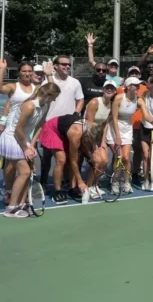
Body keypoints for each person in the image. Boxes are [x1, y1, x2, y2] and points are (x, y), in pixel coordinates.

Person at [0, 83, 61, 218]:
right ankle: (11, 208)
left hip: (23, 139)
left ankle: (21, 204)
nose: (54, 100)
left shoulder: (46, 105)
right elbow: (17, 130)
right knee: (25, 172)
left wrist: (32, 145)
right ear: (48, 95)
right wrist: (26, 148)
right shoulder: (29, 105)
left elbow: (40, 125)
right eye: (54, 97)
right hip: (11, 138)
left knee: (29, 172)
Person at [0, 57, 38, 205]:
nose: (27, 73)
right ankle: (10, 192)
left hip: (28, 131)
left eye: (30, 71)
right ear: (19, 73)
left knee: (27, 164)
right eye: (24, 71)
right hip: (13, 132)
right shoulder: (13, 87)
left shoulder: (36, 89)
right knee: (12, 166)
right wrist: (2, 69)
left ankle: (21, 195)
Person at [39, 55, 85, 205]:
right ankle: (44, 183)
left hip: (67, 127)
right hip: (50, 126)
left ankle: (67, 186)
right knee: (47, 159)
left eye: (68, 64)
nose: (66, 66)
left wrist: (76, 114)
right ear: (55, 66)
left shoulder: (75, 82)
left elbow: (81, 99)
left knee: (67, 159)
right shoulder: (47, 81)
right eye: (63, 64)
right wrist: (48, 76)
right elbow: (46, 95)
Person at [108, 77, 149, 195]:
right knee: (118, 157)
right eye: (135, 85)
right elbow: (114, 119)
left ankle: (126, 182)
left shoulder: (139, 100)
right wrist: (117, 137)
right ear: (128, 87)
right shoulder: (119, 98)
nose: (138, 87)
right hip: (115, 127)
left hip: (127, 128)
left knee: (126, 157)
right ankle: (115, 182)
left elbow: (146, 115)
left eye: (138, 85)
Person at [83, 80, 117, 198]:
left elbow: (105, 124)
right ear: (103, 89)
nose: (109, 90)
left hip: (98, 136)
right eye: (107, 87)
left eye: (112, 88)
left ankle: (94, 185)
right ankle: (88, 187)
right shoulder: (94, 102)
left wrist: (103, 141)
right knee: (97, 161)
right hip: (86, 136)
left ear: (115, 91)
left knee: (104, 160)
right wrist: (93, 145)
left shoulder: (111, 104)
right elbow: (89, 124)